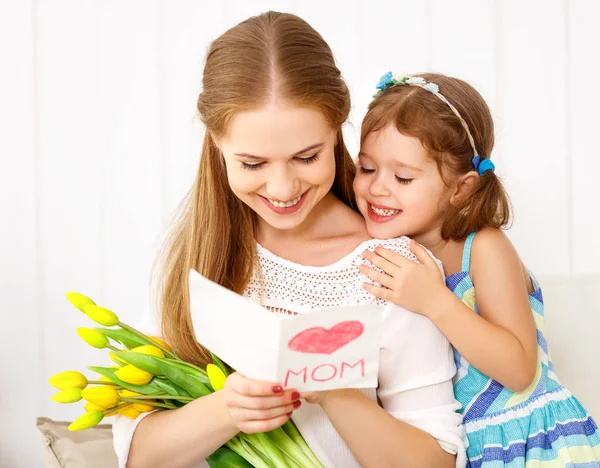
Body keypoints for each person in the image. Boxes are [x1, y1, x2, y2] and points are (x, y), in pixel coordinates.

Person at [113, 13, 466, 468]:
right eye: (253, 163)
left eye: (306, 156)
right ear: (216, 146)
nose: (282, 190)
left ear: (338, 131)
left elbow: (437, 460)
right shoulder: (195, 254)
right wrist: (228, 409)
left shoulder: (390, 267)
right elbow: (136, 455)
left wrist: (333, 390)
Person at [357, 71, 600, 466]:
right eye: (366, 169)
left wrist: (435, 300)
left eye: (402, 177)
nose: (377, 188)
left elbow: (521, 370)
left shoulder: (484, 248)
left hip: (532, 445)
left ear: (462, 188)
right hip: (463, 449)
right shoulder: (396, 253)